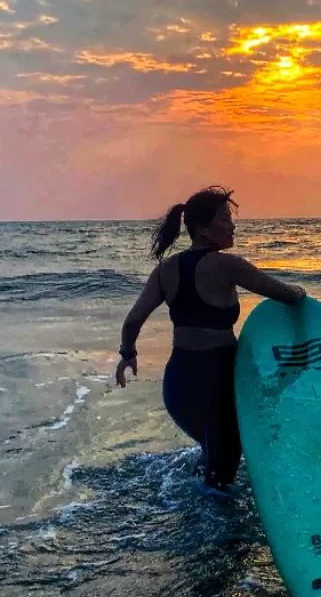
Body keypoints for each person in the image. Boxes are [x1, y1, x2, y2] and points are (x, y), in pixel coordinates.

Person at [115, 186, 306, 490]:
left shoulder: (165, 270)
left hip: (179, 387)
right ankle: (218, 536)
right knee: (222, 481)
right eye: (225, 219)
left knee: (210, 462)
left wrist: (127, 355)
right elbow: (286, 295)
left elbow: (132, 322)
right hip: (219, 384)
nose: (232, 225)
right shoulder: (228, 265)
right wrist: (303, 295)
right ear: (204, 229)